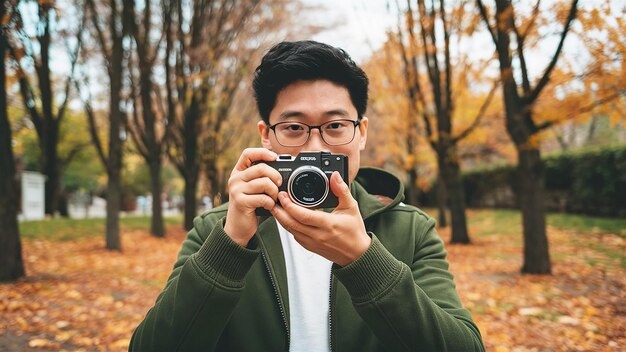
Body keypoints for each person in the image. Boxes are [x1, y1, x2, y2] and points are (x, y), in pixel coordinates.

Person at [130, 40, 485, 351]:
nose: (315, 147)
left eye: (334, 126)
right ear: (266, 136)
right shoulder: (217, 229)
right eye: (294, 128)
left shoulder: (411, 230)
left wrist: (363, 259)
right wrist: (231, 242)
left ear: (360, 133)